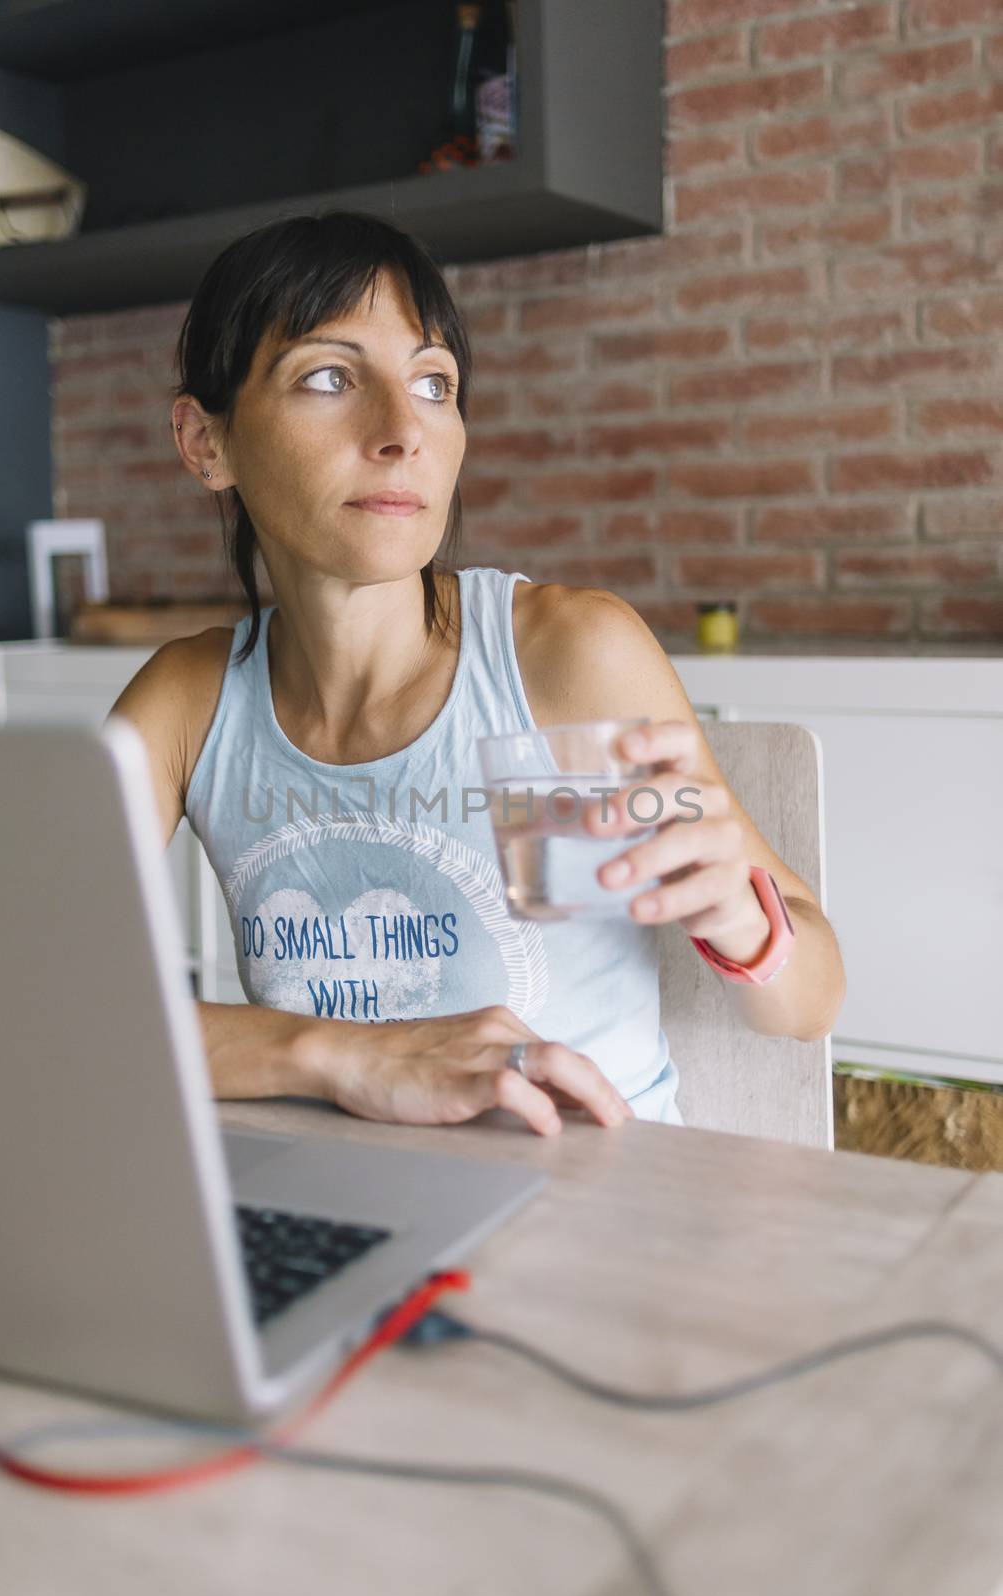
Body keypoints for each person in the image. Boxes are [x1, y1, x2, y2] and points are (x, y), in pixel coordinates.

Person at [109, 210, 845, 1139]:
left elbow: (810, 1000)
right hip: (336, 1201)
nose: (400, 430)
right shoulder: (189, 703)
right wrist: (342, 1055)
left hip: (583, 1209)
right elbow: (22, 992)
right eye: (329, 378)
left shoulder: (562, 661)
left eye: (433, 383)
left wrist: (745, 923)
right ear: (204, 442)